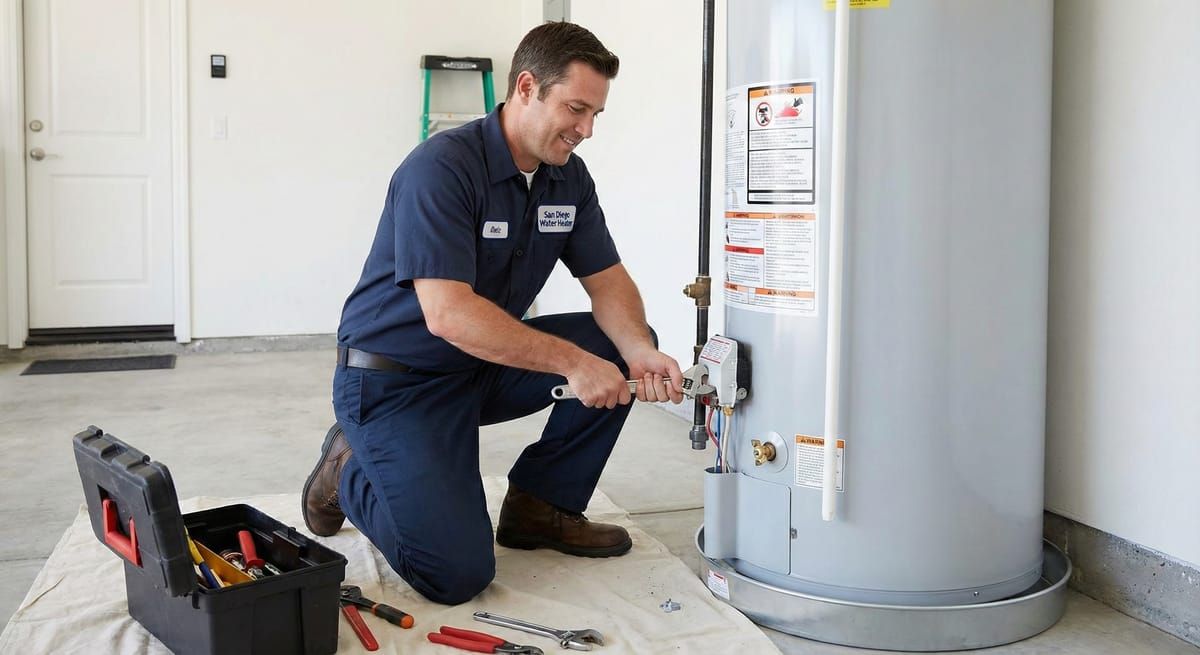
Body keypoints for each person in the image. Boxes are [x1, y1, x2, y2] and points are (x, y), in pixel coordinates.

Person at [301, 22, 684, 605]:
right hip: (394, 381)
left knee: (617, 345)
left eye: (595, 116)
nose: (585, 131)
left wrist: (639, 352)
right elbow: (450, 314)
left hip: (478, 369)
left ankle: (541, 507)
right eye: (576, 109)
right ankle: (348, 469)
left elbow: (608, 283)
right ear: (527, 87)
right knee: (455, 575)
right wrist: (572, 365)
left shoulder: (567, 178)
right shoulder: (443, 169)